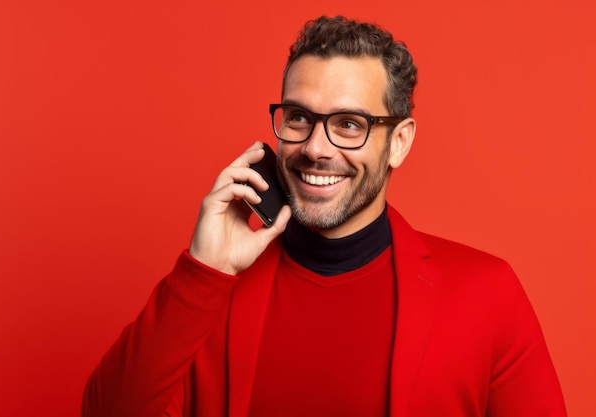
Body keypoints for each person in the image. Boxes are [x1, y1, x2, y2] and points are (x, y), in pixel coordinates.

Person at [82, 15, 566, 417]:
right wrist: (203, 272)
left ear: (398, 142)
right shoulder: (209, 294)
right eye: (298, 118)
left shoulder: (487, 292)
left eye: (349, 124)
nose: (315, 148)